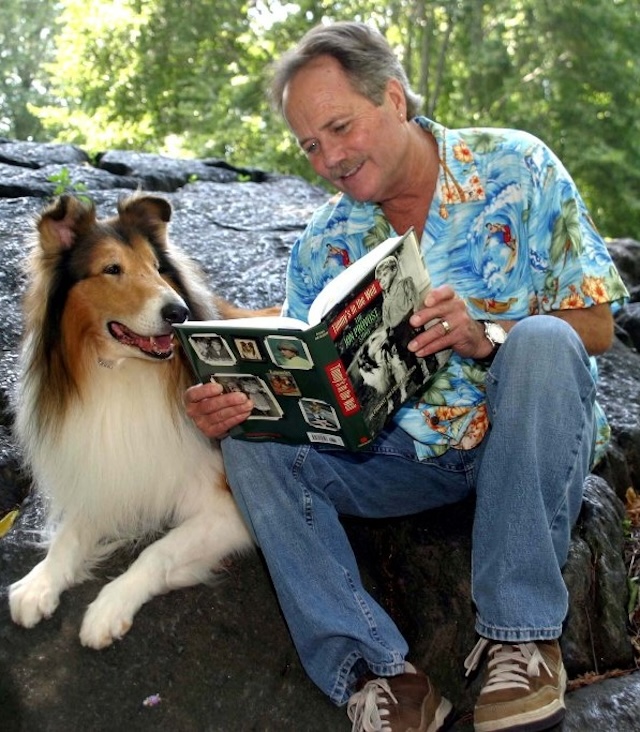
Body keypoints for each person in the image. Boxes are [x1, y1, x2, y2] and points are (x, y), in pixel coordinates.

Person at [185, 21, 628, 732]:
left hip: (525, 435)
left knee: (542, 339)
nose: (329, 158)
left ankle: (519, 641)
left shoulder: (518, 166)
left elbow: (598, 327)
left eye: (339, 127)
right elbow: (311, 379)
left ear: (393, 97)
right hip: (399, 460)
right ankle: (381, 677)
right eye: (310, 145)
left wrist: (488, 337)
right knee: (250, 445)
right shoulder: (324, 243)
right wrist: (241, 406)